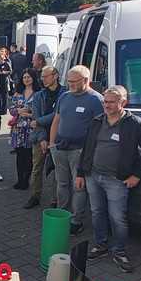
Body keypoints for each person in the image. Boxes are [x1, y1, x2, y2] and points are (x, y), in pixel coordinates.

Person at [76, 86, 141, 271]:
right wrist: (80, 173)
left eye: (111, 102)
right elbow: (87, 149)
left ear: (123, 103)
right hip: (93, 175)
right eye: (105, 101)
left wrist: (136, 175)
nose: (107, 105)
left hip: (117, 180)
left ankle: (119, 251)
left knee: (117, 217)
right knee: (96, 212)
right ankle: (101, 245)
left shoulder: (136, 124)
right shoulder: (97, 121)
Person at [49, 65, 104, 234]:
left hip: (80, 151)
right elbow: (57, 120)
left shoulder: (96, 100)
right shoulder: (64, 96)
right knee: (62, 184)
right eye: (69, 81)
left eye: (74, 81)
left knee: (79, 186)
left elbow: (99, 128)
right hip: (60, 148)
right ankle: (62, 214)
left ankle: (76, 220)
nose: (70, 84)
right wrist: (52, 143)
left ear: (86, 81)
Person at [24, 66, 66, 209]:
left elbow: (58, 115)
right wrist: (42, 139)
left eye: (46, 76)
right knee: (37, 168)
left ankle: (55, 199)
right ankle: (35, 196)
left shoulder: (65, 94)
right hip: (40, 136)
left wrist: (40, 121)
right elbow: (36, 117)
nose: (43, 79)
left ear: (55, 76)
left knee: (57, 170)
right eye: (42, 77)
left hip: (59, 136)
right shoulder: (39, 95)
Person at [9, 69, 41, 190]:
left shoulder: (38, 93)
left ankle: (26, 180)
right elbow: (11, 109)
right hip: (18, 129)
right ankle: (20, 179)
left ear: (33, 78)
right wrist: (17, 111)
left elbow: (41, 112)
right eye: (24, 77)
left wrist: (29, 114)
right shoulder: (18, 93)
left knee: (28, 156)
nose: (26, 79)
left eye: (28, 77)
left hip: (31, 128)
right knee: (19, 155)